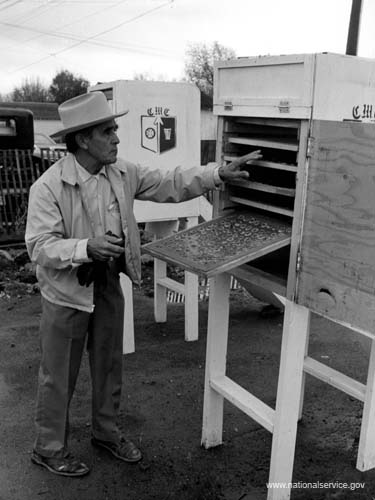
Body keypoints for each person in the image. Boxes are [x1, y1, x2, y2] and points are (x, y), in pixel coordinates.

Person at [25, 91, 262, 477]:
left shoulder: (121, 172)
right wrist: (87, 247)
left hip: (107, 285)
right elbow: (39, 247)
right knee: (58, 374)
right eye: (109, 130)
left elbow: (169, 181)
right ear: (83, 140)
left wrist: (216, 174)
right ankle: (48, 448)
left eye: (115, 129)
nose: (117, 137)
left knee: (108, 365)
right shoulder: (48, 187)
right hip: (67, 293)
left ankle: (105, 432)